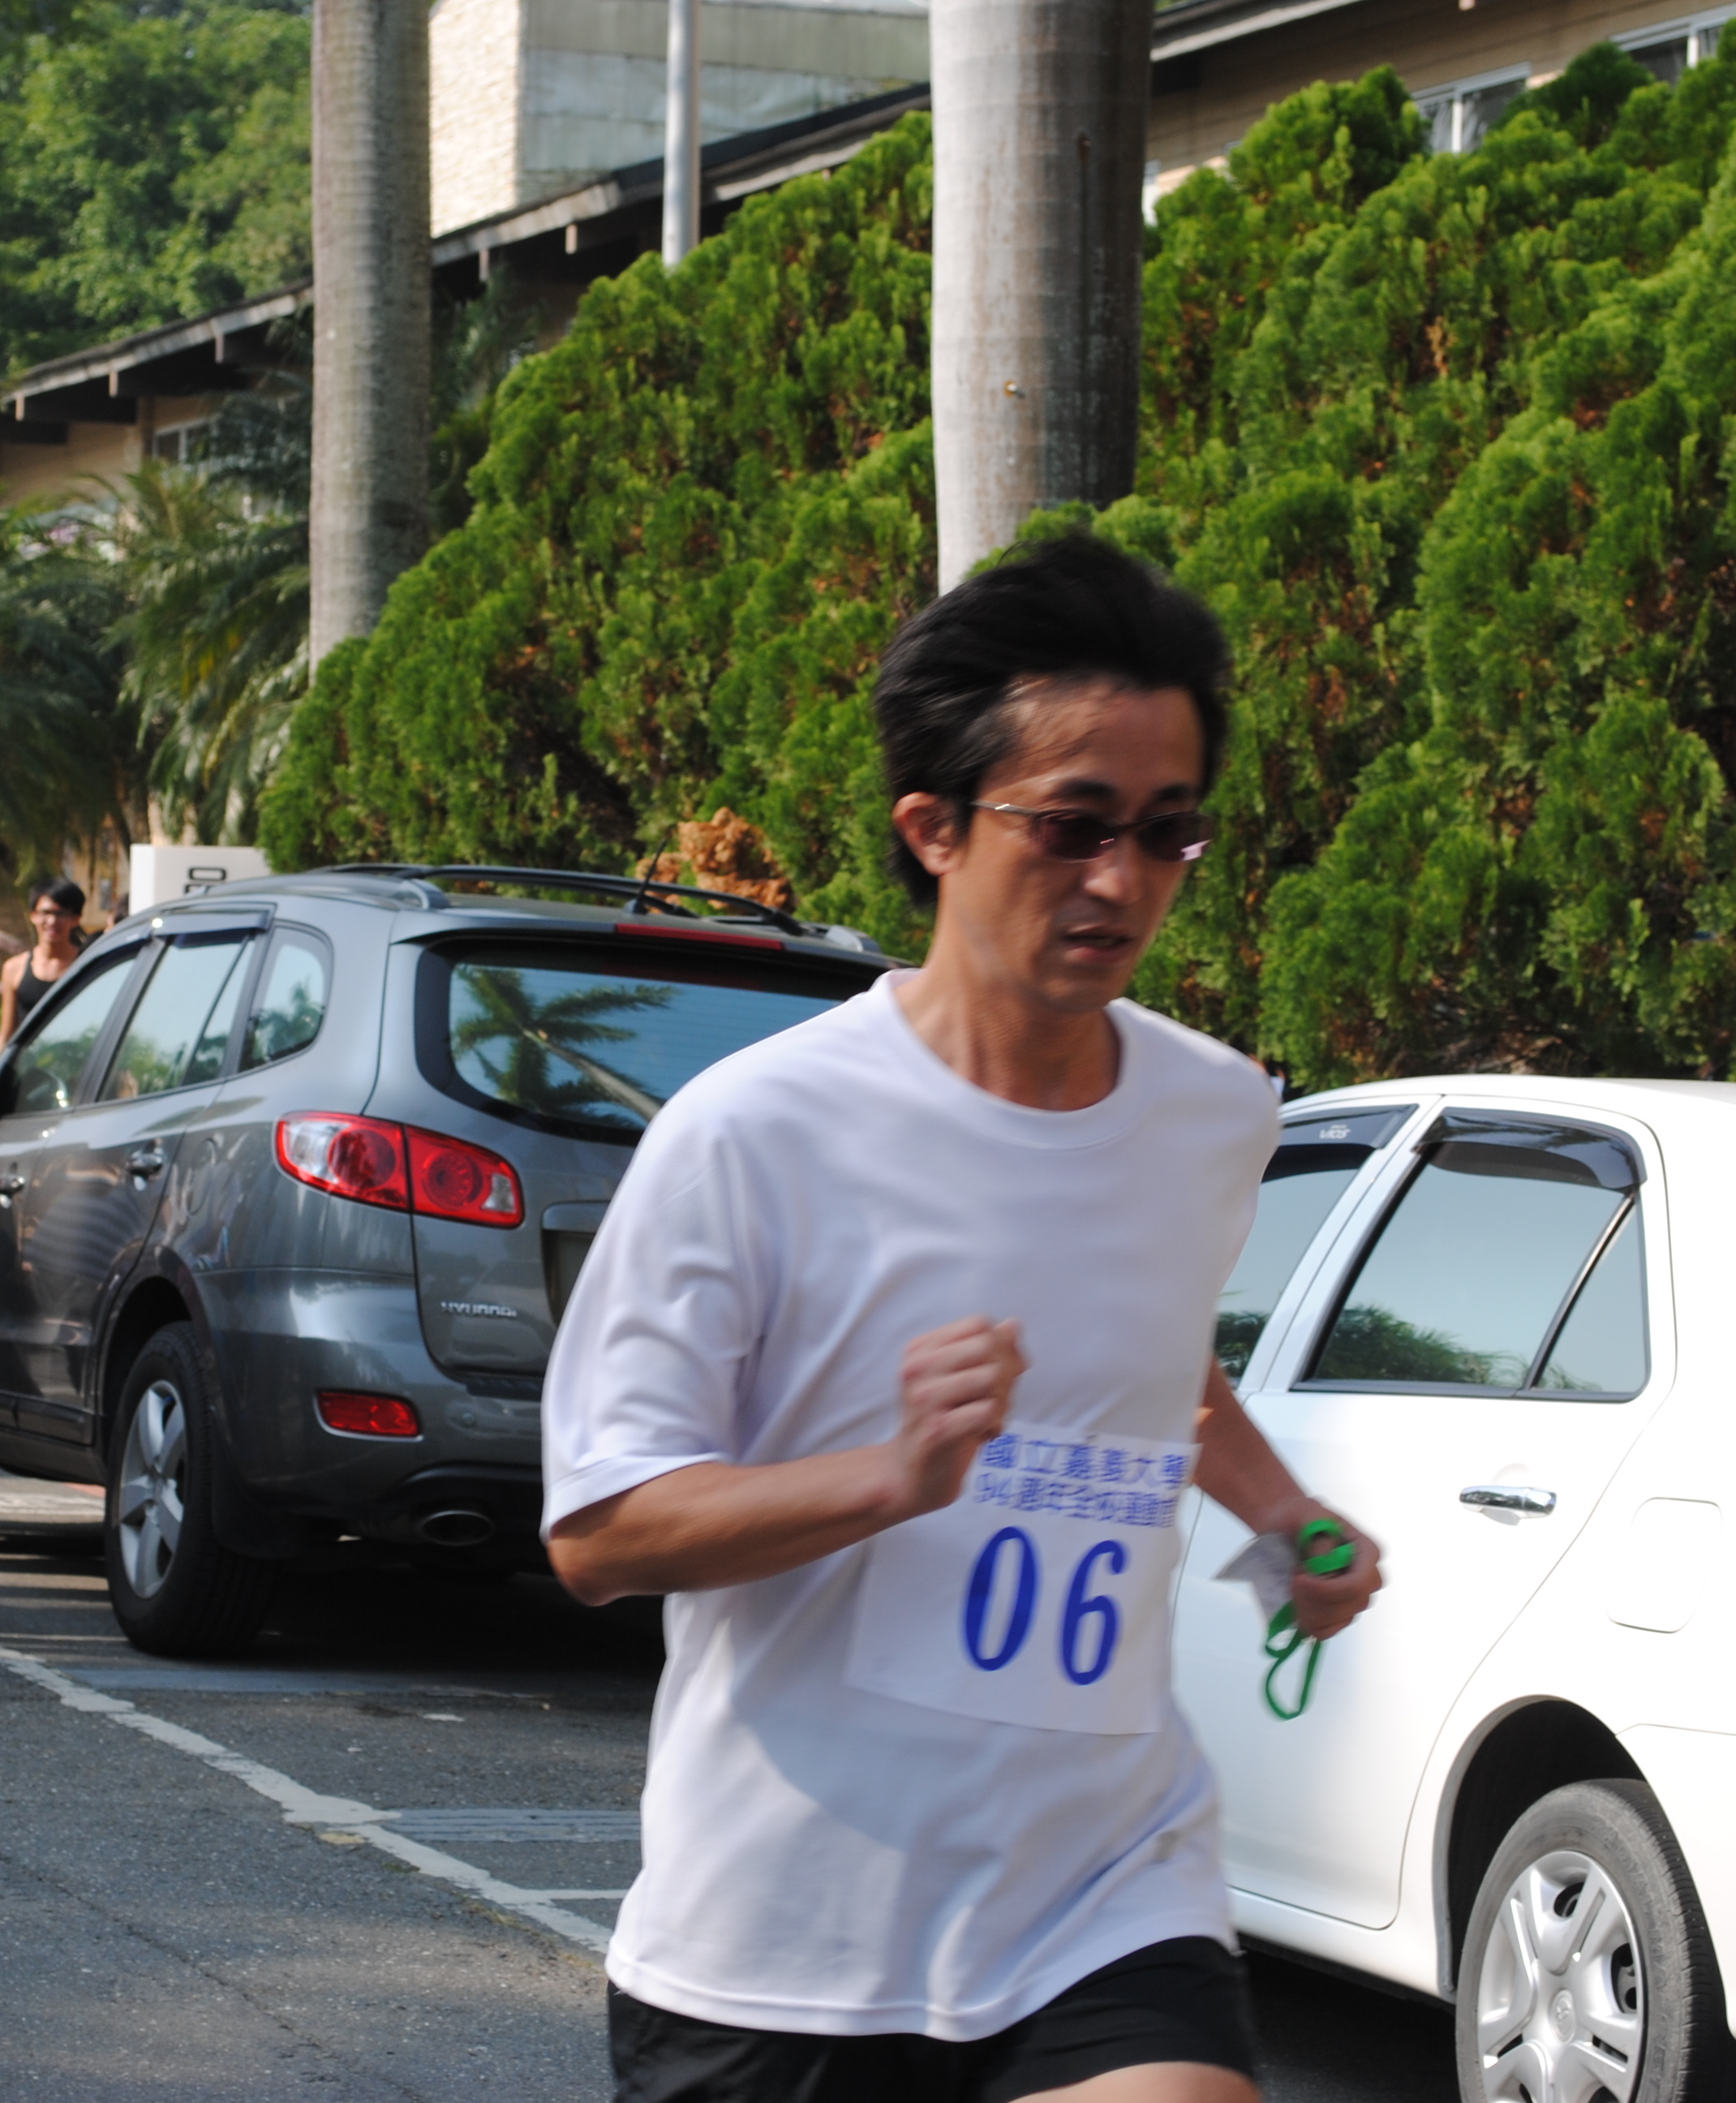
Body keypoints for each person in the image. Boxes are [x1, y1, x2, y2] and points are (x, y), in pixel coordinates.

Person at [541, 538, 1387, 2103]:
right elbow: (599, 1529)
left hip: (1101, 1888)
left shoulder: (1211, 1110)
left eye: (1166, 831)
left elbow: (1150, 1342)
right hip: (782, 1939)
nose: (1121, 881)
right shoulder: (753, 1133)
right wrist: (889, 1476)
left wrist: (1283, 1515)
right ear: (931, 828)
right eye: (1069, 827)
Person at [0, 877, 84, 1048]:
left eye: (61, 914)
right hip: (26, 1067)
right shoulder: (14, 968)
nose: (52, 922)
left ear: (76, 919)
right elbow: (7, 1033)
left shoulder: (86, 964)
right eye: (46, 913)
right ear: (33, 916)